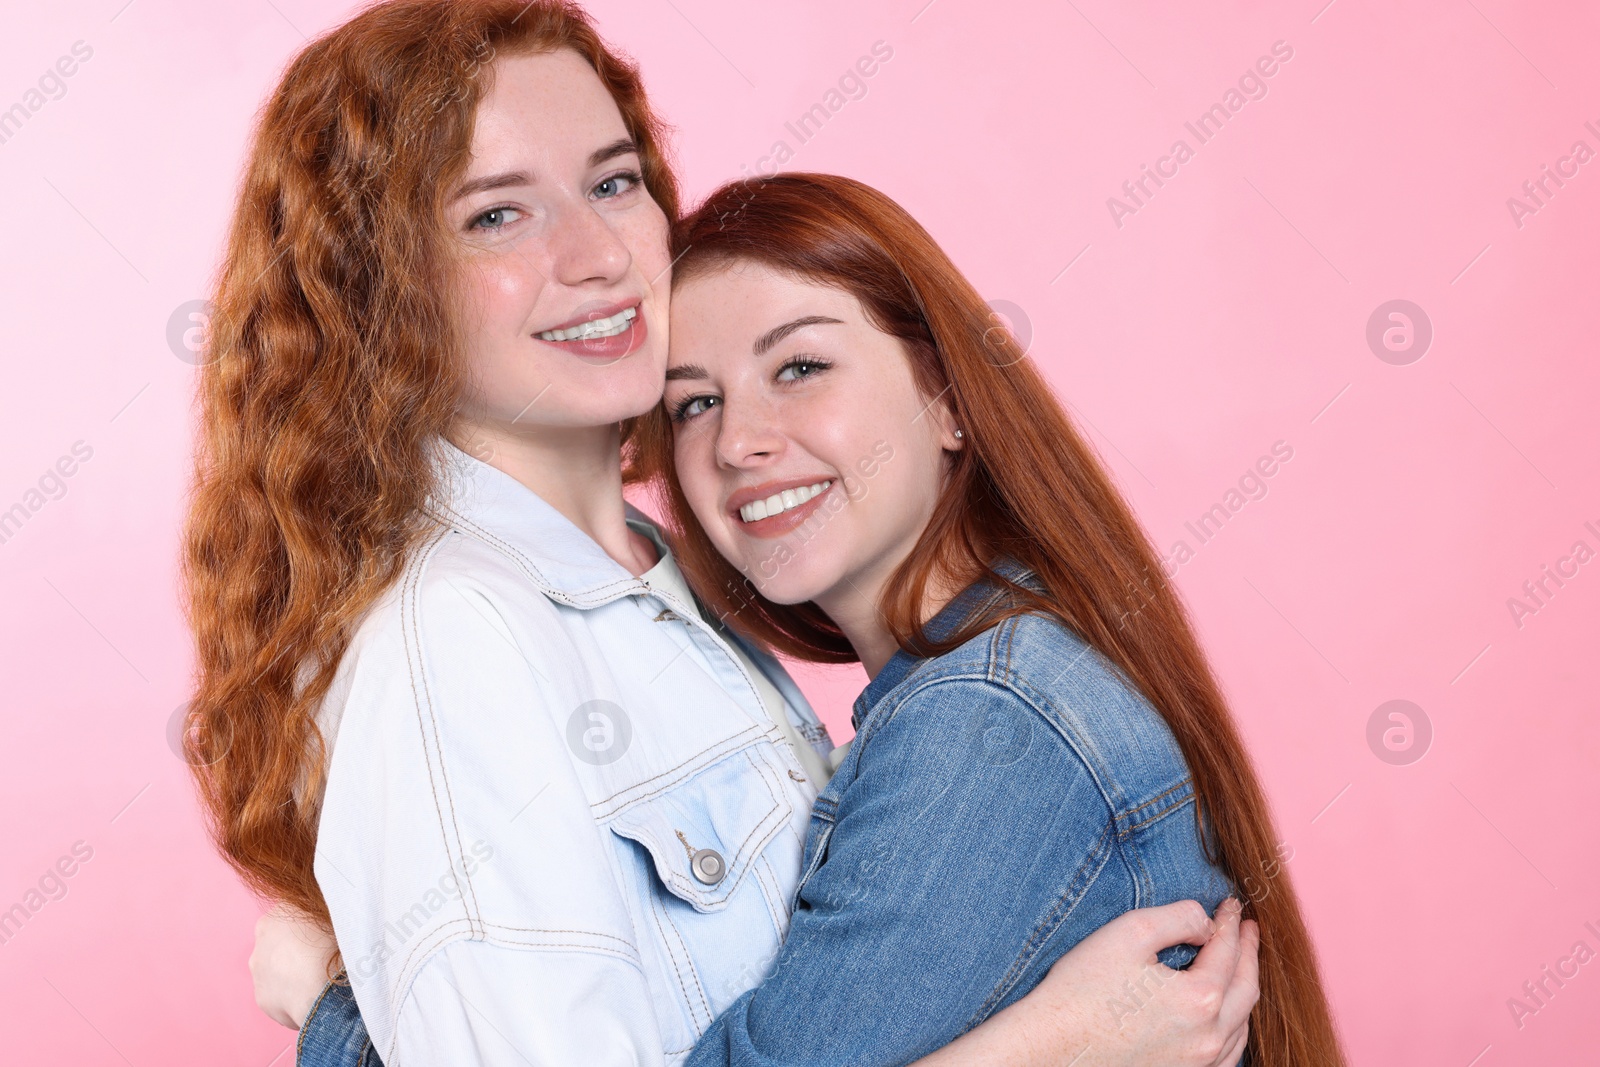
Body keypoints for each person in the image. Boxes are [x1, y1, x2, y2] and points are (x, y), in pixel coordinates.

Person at [190, 2, 1259, 1064]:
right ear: (380, 288)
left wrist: (339, 1018)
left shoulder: (696, 619)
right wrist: (1054, 1044)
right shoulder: (460, 639)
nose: (597, 253)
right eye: (496, 215)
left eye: (613, 183)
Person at [624, 172, 1347, 1066]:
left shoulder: (987, 718)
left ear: (950, 402)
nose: (737, 441)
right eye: (695, 402)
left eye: (799, 367)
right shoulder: (979, 685)